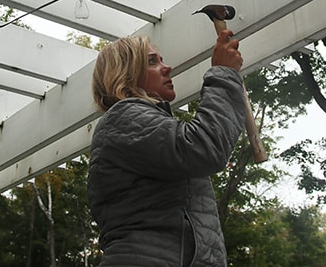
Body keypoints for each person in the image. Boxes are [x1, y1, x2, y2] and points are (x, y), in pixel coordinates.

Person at [87, 29, 246, 266]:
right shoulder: (124, 118)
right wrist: (223, 74)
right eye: (152, 61)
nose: (167, 67)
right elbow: (204, 145)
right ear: (126, 75)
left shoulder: (140, 124)